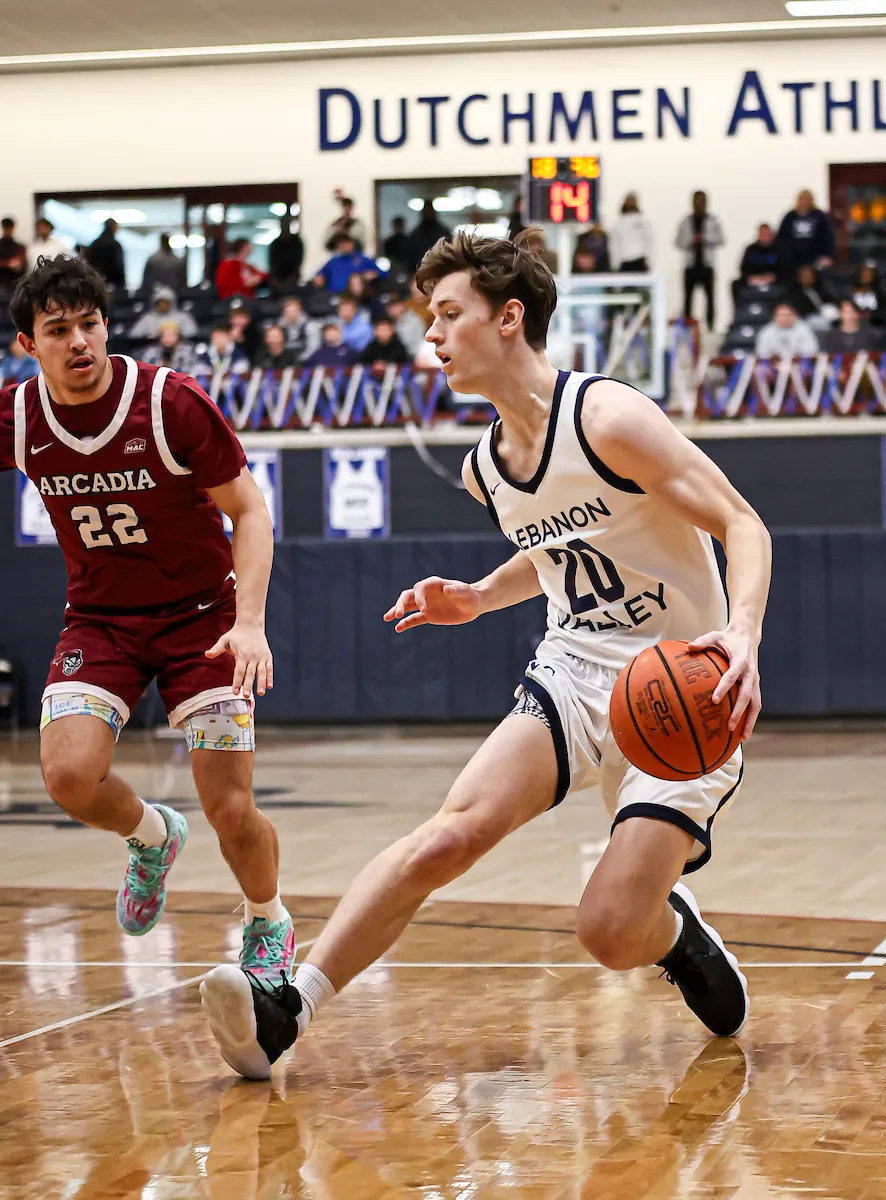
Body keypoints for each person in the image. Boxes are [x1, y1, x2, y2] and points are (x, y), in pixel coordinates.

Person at [200, 229, 771, 1080]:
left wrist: (744, 637)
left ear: (509, 318)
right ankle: (288, 1007)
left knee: (611, 931)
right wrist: (476, 595)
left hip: (681, 679)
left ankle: (675, 932)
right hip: (575, 670)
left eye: (447, 313)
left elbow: (740, 522)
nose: (430, 333)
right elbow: (556, 549)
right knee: (447, 838)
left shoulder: (607, 418)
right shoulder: (487, 466)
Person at [0, 255, 295, 994]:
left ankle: (269, 921)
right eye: (58, 329)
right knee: (68, 775)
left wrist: (251, 622)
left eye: (90, 324)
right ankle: (151, 836)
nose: (79, 342)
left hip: (205, 621)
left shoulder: (169, 401)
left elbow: (250, 511)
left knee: (231, 808)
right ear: (28, 346)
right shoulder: (21, 414)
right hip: (100, 621)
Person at [675, 192, 724, 332]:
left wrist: (705, 239)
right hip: (690, 265)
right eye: (696, 201)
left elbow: (721, 239)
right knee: (688, 299)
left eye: (701, 201)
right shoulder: (685, 221)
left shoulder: (713, 220)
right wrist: (691, 241)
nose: (699, 204)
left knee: (710, 298)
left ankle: (710, 326)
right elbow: (678, 241)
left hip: (707, 264)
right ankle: (687, 326)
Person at [776, 190, 835, 269]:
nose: (804, 202)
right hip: (794, 261)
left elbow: (829, 237)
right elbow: (781, 238)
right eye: (802, 199)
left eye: (807, 199)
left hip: (816, 261)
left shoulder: (820, 216)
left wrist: (827, 256)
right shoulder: (790, 217)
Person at [734, 223, 790, 300]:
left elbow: (787, 270)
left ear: (771, 235)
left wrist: (774, 277)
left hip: (774, 282)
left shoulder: (780, 250)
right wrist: (751, 278)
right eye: (762, 234)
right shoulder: (751, 249)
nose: (764, 237)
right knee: (735, 284)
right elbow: (743, 268)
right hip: (754, 280)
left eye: (767, 234)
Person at [313, 236, 382, 295]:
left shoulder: (362, 259)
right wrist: (319, 278)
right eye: (341, 243)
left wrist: (371, 275)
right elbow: (319, 275)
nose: (343, 245)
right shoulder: (334, 261)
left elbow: (381, 273)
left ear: (352, 243)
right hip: (333, 295)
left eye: (346, 242)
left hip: (354, 296)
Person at [129, 286, 198, 340]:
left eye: (165, 303)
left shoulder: (183, 317)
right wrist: (149, 335)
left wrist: (178, 335)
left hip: (179, 348)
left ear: (172, 303)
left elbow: (193, 333)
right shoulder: (148, 318)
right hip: (153, 349)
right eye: (159, 303)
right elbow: (133, 335)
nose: (162, 306)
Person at [755, 302, 819, 359]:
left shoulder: (804, 329)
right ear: (775, 317)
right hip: (774, 365)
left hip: (798, 365)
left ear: (795, 316)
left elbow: (810, 352)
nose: (785, 318)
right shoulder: (767, 331)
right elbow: (762, 353)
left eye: (788, 315)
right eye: (782, 315)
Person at [609, 193, 655, 273]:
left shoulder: (643, 221)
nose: (630, 203)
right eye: (628, 201)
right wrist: (614, 264)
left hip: (640, 260)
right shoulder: (618, 224)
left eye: (632, 201)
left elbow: (649, 242)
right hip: (624, 262)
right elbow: (614, 245)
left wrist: (650, 261)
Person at [786, 265, 836, 331]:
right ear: (799, 278)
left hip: (824, 314)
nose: (808, 278)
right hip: (807, 317)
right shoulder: (794, 292)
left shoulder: (819, 289)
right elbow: (799, 310)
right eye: (805, 276)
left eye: (810, 276)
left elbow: (829, 300)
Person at [406, 201, 452, 271]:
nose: (428, 213)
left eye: (429, 211)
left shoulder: (443, 233)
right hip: (419, 270)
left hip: (440, 270)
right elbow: (410, 257)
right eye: (426, 211)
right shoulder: (415, 235)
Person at [84, 219, 126, 290]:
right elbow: (118, 266)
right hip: (112, 285)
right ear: (114, 228)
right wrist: (122, 285)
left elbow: (88, 263)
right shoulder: (115, 245)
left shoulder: (95, 244)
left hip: (95, 284)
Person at [277, 296, 320, 361]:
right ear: (284, 313)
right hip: (284, 360)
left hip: (305, 360)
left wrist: (299, 359)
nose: (291, 315)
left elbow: (314, 348)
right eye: (288, 312)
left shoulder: (309, 326)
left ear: (300, 311)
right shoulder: (279, 327)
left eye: (294, 311)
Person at [268, 217, 304, 291]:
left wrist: (293, 276)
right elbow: (272, 262)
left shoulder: (296, 242)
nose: (284, 226)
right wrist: (275, 278)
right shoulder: (276, 244)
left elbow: (298, 260)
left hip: (292, 280)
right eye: (283, 224)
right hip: (278, 281)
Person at [0, 217, 27, 291]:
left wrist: (18, 264)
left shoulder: (20, 247)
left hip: (15, 284)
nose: (8, 230)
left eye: (9, 227)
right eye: (6, 227)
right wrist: (8, 263)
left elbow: (23, 264)